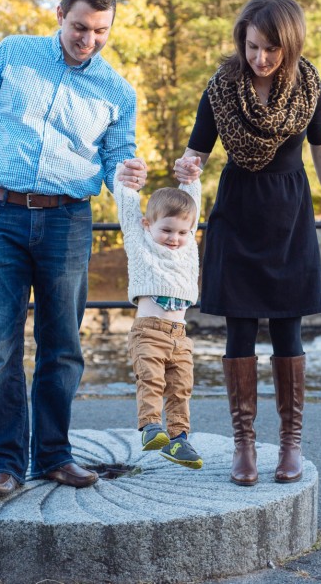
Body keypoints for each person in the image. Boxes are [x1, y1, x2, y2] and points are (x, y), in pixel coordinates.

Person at [0, 0, 148, 501]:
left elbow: (114, 160)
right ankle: (4, 462)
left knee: (62, 346)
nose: (88, 39)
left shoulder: (117, 91)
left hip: (67, 221)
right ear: (60, 13)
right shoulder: (12, 55)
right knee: (0, 346)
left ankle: (55, 455)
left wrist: (127, 176)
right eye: (80, 27)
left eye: (101, 31)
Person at [174, 0, 321, 486]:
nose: (261, 58)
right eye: (252, 47)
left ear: (289, 46)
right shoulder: (222, 87)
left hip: (290, 215)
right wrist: (187, 169)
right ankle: (244, 444)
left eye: (271, 49)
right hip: (237, 213)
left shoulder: (308, 86)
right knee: (240, 330)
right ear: (242, 40)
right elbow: (196, 153)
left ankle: (291, 443)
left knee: (288, 330)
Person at [113, 159, 204, 470]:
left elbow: (193, 204)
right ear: (147, 225)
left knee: (181, 387)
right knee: (151, 380)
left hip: (180, 335)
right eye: (167, 230)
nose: (174, 238)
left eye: (182, 231)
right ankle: (151, 427)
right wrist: (126, 182)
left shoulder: (188, 247)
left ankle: (178, 439)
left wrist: (191, 178)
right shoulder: (141, 246)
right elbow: (126, 208)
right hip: (149, 331)